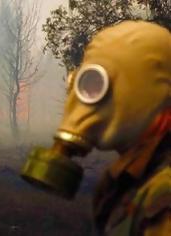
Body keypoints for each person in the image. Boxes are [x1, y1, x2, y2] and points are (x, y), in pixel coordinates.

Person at [22, 21, 171, 235]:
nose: (84, 99)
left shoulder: (163, 195)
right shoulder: (131, 176)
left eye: (98, 84)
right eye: (84, 82)